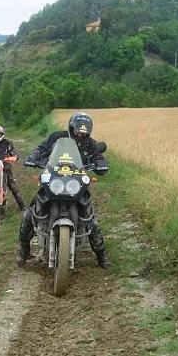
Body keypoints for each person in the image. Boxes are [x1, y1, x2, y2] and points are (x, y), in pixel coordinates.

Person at [18, 112, 111, 268]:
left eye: (84, 133)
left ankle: (101, 256)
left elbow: (98, 157)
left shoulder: (91, 144)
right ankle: (23, 249)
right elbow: (40, 149)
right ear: (71, 127)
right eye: (78, 132)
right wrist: (33, 157)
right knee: (31, 212)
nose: (81, 135)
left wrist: (101, 164)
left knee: (91, 220)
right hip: (55, 181)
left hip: (76, 185)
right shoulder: (56, 138)